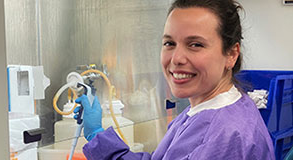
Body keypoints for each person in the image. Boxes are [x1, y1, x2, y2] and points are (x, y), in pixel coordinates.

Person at [74, 0, 275, 159]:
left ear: (231, 54)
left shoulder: (228, 136)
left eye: (195, 44)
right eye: (169, 43)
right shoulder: (203, 111)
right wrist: (98, 136)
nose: (176, 59)